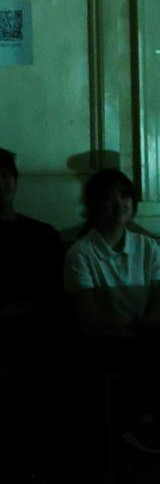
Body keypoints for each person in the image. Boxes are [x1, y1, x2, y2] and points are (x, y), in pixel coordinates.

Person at [63, 168, 160, 447]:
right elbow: (91, 324)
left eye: (124, 196)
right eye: (108, 199)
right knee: (153, 355)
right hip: (103, 343)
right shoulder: (80, 254)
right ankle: (144, 427)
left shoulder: (147, 246)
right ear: (93, 207)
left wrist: (149, 324)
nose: (119, 204)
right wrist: (128, 334)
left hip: (142, 337)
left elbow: (154, 309)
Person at [0, 147, 66, 369]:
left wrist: (33, 308)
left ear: (15, 180)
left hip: (39, 331)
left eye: (5, 176)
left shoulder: (43, 234)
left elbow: (58, 289)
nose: (1, 184)